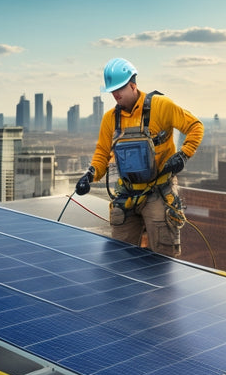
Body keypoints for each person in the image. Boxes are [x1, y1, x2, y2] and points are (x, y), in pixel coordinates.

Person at [75, 57, 204, 258]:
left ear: (133, 85)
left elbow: (195, 126)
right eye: (112, 90)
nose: (115, 94)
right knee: (119, 256)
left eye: (120, 88)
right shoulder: (111, 119)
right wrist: (90, 176)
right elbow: (102, 152)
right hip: (127, 193)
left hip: (158, 191)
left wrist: (183, 155)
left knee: (163, 256)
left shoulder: (161, 106)